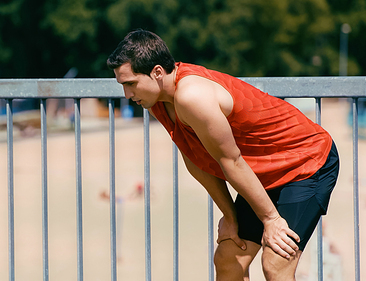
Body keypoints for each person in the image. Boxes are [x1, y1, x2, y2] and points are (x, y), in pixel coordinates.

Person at [107, 29, 339, 281]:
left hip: (307, 161)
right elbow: (195, 160)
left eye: (130, 84)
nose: (127, 95)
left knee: (275, 262)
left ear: (157, 73)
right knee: (229, 258)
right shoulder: (159, 102)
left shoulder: (191, 96)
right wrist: (230, 217)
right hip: (265, 173)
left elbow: (232, 161)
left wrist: (271, 219)